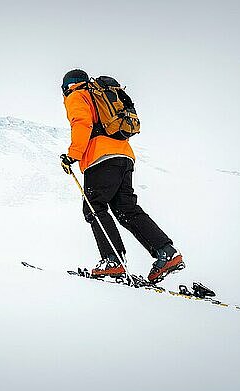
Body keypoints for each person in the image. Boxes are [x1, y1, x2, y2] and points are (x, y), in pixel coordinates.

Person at [59, 69, 184, 283]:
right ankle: (166, 252)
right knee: (126, 209)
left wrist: (73, 155)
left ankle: (113, 260)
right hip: (124, 157)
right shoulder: (102, 95)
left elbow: (82, 122)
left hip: (101, 159)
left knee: (94, 205)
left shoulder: (77, 95)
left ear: (67, 86)